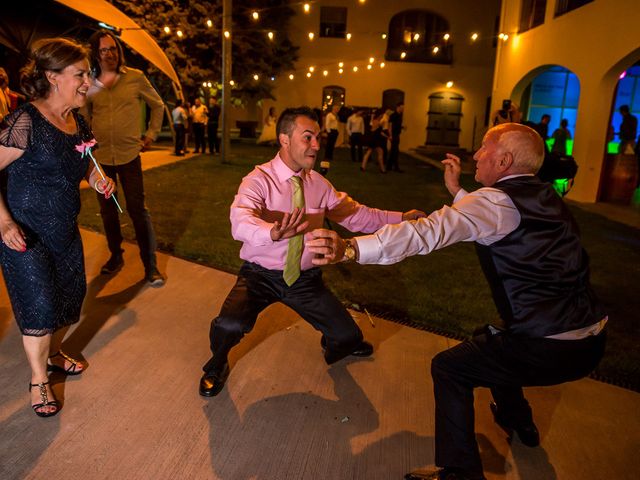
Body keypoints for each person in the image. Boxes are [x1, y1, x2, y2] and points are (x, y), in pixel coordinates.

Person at [307, 123, 607, 480]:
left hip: (546, 347)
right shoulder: (545, 196)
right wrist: (457, 190)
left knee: (450, 368)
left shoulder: (496, 202)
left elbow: (427, 232)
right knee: (492, 341)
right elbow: (494, 215)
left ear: (504, 160)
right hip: (590, 341)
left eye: (484, 148)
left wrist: (352, 247)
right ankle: (518, 421)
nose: (476, 155)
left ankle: (459, 472)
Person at [199, 106, 426, 397]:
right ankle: (216, 365)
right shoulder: (257, 180)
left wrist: (401, 217)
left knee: (347, 337)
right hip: (260, 275)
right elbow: (240, 219)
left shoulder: (318, 184)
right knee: (228, 325)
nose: (316, 145)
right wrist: (272, 232)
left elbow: (357, 215)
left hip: (305, 279)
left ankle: (335, 339)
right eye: (308, 137)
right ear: (284, 139)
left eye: (317, 137)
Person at [0, 38, 116, 417]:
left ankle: (53, 355)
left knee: (70, 300)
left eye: (89, 74)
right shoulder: (24, 121)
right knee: (40, 306)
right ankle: (38, 380)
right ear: (52, 77)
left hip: (64, 230)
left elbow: (82, 163)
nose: (88, 81)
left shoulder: (77, 121)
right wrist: (3, 222)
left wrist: (96, 181)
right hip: (24, 233)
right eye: (80, 74)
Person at [85, 30, 165, 286]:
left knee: (137, 211)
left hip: (130, 155)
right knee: (108, 212)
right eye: (104, 50)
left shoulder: (136, 78)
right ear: (96, 54)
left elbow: (158, 105)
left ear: (119, 51)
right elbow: (84, 117)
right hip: (102, 159)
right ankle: (115, 256)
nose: (109, 54)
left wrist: (151, 134)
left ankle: (150, 266)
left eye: (113, 49)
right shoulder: (90, 84)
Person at [387, 102, 404, 172]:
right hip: (393, 135)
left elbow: (397, 125)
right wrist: (390, 135)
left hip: (397, 134)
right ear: (398, 107)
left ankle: (389, 166)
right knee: (395, 151)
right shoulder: (393, 115)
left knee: (393, 151)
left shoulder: (399, 115)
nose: (403, 109)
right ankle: (396, 167)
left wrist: (402, 127)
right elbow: (390, 126)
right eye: (402, 108)